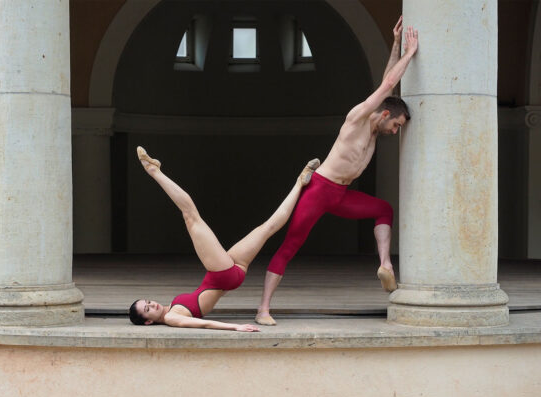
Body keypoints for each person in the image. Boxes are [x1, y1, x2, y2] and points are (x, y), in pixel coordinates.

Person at [255, 17, 419, 326]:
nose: (396, 132)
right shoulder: (358, 117)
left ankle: (385, 264)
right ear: (385, 114)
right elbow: (386, 86)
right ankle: (263, 308)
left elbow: (389, 84)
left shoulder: (374, 129)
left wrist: (396, 44)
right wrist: (410, 53)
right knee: (290, 245)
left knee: (383, 209)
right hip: (319, 190)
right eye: (396, 125)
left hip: (341, 195)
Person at [129, 146, 320, 331]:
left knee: (267, 227)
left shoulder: (171, 307)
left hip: (229, 273)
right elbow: (204, 324)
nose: (152, 305)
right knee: (191, 216)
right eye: (147, 310)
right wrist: (235, 327)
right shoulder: (171, 317)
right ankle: (154, 171)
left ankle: (299, 182)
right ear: (148, 322)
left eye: (148, 302)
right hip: (222, 274)